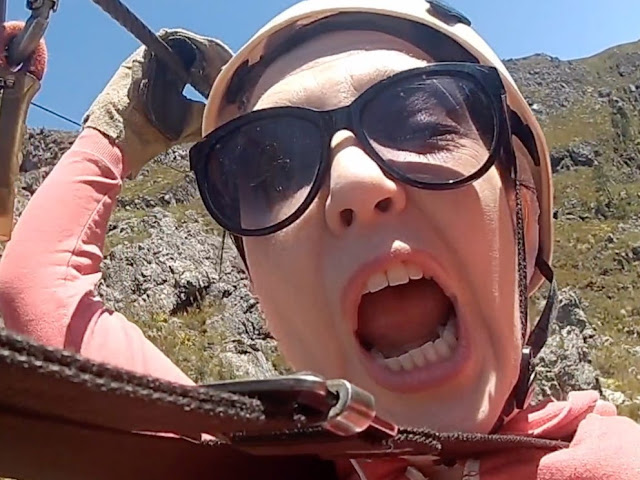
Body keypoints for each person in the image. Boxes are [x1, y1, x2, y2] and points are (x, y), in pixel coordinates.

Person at [0, 1, 639, 479]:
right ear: (265, 289)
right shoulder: (244, 464)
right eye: (271, 165)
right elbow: (30, 297)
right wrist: (114, 128)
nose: (354, 181)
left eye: (419, 121)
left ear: (524, 224)